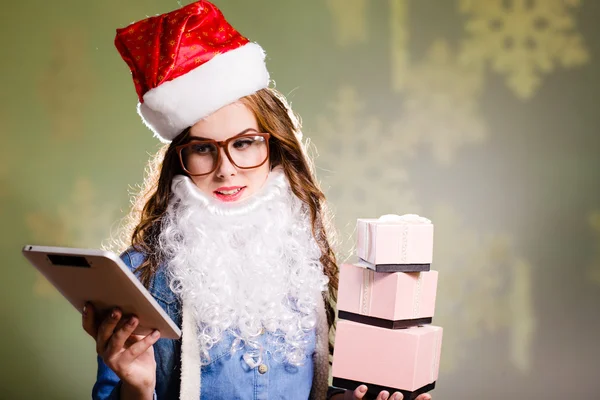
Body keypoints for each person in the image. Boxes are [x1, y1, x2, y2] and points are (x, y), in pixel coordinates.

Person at [82, 1, 434, 400]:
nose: (226, 169)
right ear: (179, 161)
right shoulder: (138, 273)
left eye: (245, 143)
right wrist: (138, 386)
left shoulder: (301, 249)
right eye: (203, 149)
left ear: (276, 147)